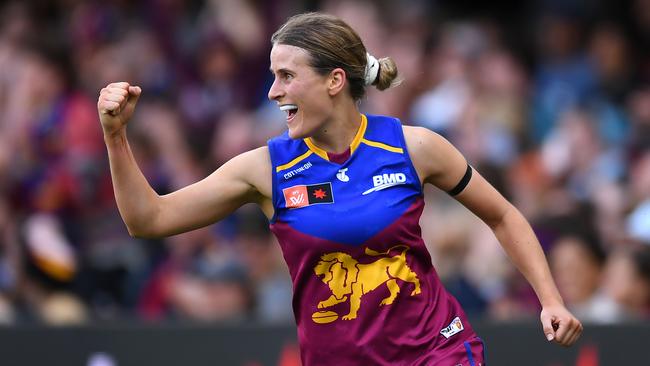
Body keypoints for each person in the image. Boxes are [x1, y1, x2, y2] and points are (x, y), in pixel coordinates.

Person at [97, 12, 582, 366]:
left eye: (286, 76)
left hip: (438, 351)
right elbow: (148, 220)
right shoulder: (264, 169)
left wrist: (550, 299)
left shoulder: (414, 147)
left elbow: (503, 215)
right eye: (272, 77)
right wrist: (116, 137)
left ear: (334, 81)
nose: (273, 91)